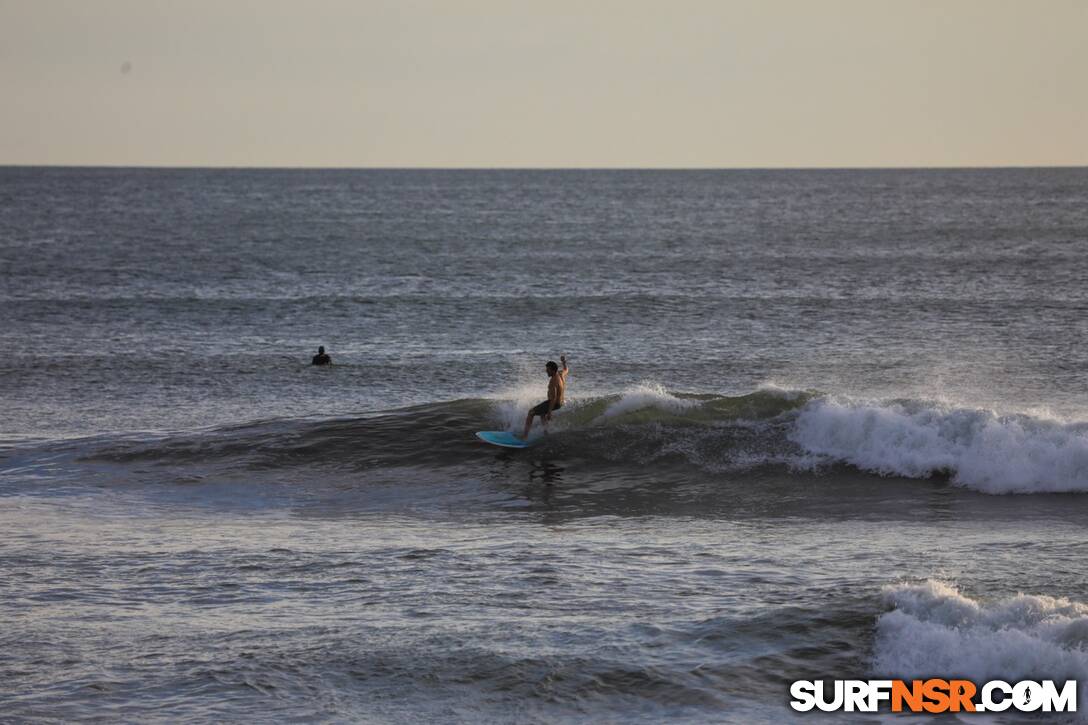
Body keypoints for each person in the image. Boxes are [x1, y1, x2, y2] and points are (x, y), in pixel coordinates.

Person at [521, 355, 569, 440]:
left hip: (554, 402)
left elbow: (553, 398)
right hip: (560, 402)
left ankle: (524, 437)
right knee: (542, 414)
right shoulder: (561, 374)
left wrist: (550, 412)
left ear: (553, 370)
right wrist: (563, 362)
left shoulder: (553, 381)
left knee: (531, 412)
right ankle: (546, 433)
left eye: (548, 370)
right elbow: (566, 369)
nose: (546, 372)